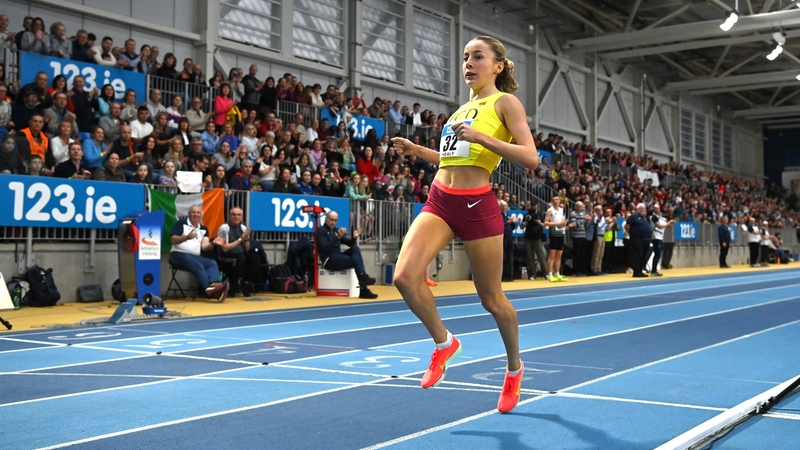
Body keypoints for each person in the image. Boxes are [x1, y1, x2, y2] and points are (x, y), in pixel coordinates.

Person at [389, 36, 536, 413]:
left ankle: (514, 369)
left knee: (491, 299)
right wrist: (418, 151)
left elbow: (530, 158)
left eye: (478, 57)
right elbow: (452, 159)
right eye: (466, 57)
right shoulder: (460, 110)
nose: (469, 63)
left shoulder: (505, 102)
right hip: (440, 199)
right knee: (404, 277)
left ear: (497, 66)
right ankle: (444, 343)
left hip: (477, 205)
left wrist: (483, 136)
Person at [169, 205, 229, 301]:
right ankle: (212, 290)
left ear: (201, 215)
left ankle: (215, 286)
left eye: (198, 212)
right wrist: (187, 237)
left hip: (194, 257)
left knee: (211, 263)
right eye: (193, 212)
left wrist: (213, 243)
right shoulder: (181, 223)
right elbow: (173, 240)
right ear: (189, 214)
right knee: (197, 264)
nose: (196, 214)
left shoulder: (204, 229)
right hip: (178, 255)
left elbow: (205, 248)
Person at [316, 210, 377, 299]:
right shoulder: (322, 231)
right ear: (326, 219)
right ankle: (363, 287)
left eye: (335, 220)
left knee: (355, 249)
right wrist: (337, 237)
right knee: (356, 261)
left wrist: (354, 237)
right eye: (331, 220)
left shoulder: (336, 230)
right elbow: (324, 248)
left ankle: (363, 278)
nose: (333, 222)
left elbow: (349, 244)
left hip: (338, 257)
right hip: (328, 260)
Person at [213, 207, 262, 297]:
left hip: (239, 253)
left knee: (256, 257)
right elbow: (225, 248)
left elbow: (246, 248)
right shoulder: (224, 228)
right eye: (234, 214)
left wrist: (246, 239)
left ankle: (245, 282)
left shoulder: (243, 228)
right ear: (229, 216)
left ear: (242, 217)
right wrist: (240, 239)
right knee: (241, 258)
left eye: (238, 215)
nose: (236, 217)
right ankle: (233, 285)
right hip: (225, 255)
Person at [544, 196, 570, 282]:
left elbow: (562, 222)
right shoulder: (550, 210)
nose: (555, 201)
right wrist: (558, 223)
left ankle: (557, 273)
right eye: (554, 200)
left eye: (557, 199)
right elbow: (546, 223)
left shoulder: (561, 210)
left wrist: (564, 225)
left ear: (559, 201)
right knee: (552, 255)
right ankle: (550, 274)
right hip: (554, 234)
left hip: (561, 234)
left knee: (559, 255)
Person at [625, 203, 652, 278]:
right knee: (637, 255)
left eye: (644, 208)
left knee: (643, 256)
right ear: (637, 209)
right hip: (637, 239)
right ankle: (636, 271)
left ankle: (640, 270)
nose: (642, 210)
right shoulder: (634, 216)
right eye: (641, 208)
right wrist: (632, 234)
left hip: (646, 239)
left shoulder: (645, 218)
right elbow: (627, 226)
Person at [522, 202, 547, 280]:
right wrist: (523, 224)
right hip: (528, 237)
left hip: (537, 237)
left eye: (534, 205)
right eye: (532, 205)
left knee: (541, 256)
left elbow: (545, 224)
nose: (533, 207)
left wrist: (539, 222)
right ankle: (533, 274)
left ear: (537, 205)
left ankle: (545, 273)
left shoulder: (540, 214)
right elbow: (521, 225)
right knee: (530, 257)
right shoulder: (527, 214)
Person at [649, 203, 674, 276]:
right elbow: (659, 226)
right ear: (653, 209)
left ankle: (654, 270)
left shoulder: (660, 217)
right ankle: (653, 270)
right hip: (656, 236)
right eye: (656, 208)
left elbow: (664, 226)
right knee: (657, 254)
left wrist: (670, 224)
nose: (658, 210)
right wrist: (668, 223)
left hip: (660, 236)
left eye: (659, 208)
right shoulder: (654, 217)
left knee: (658, 254)